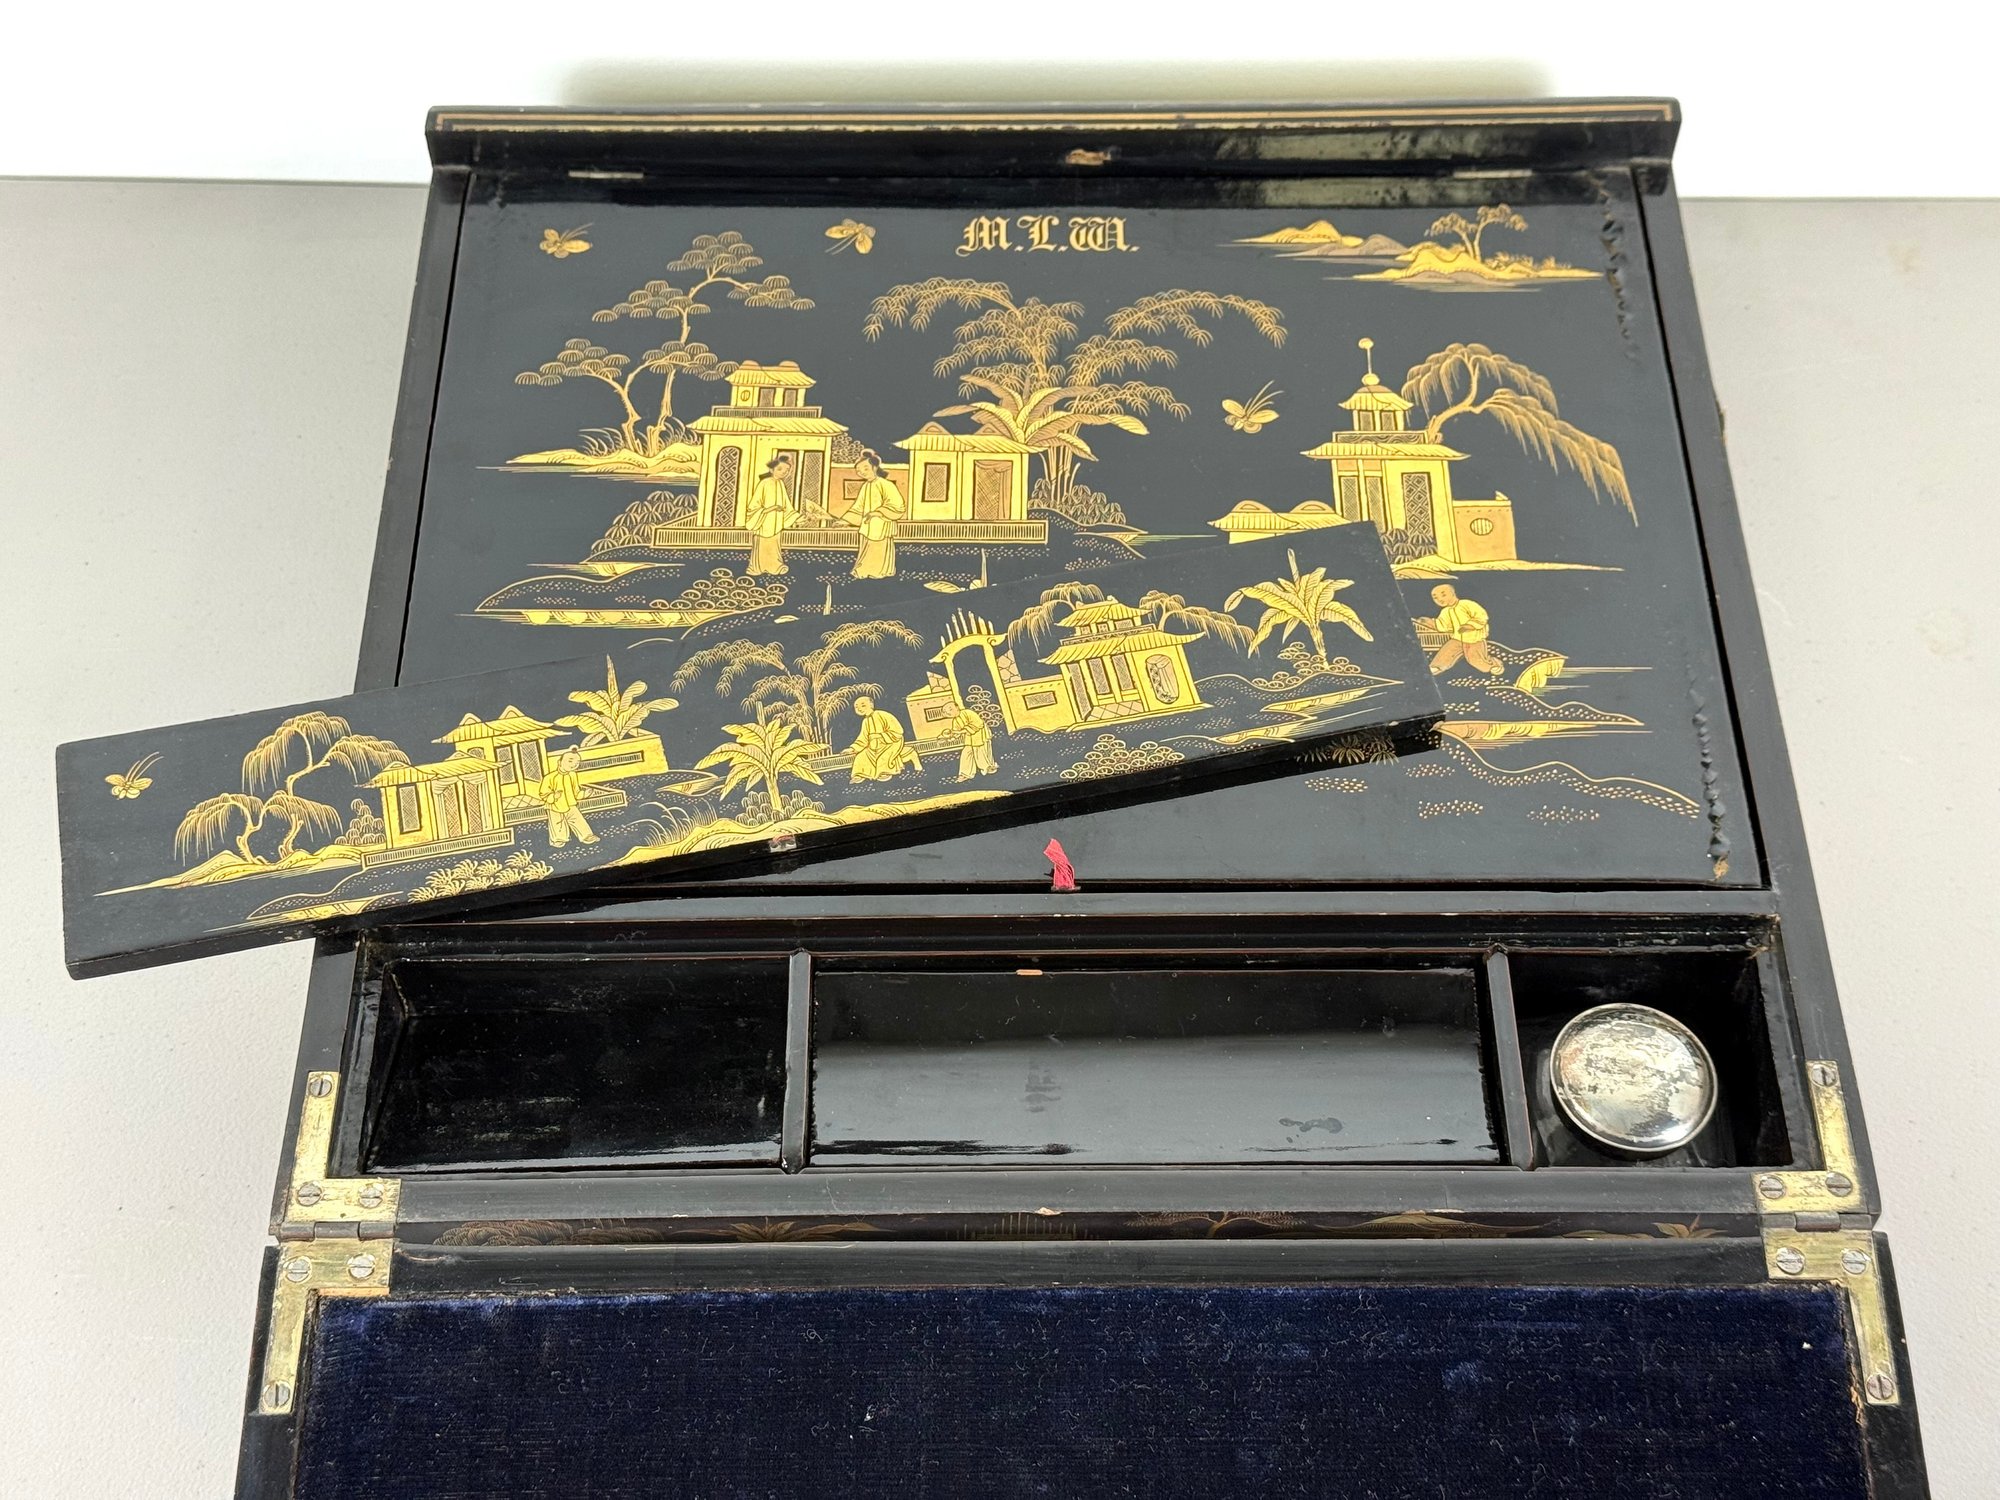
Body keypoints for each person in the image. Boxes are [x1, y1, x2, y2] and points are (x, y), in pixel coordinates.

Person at [846, 449, 905, 579]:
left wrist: (878, 512)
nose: (861, 472)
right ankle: (864, 571)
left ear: (875, 467)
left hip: (882, 522)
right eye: (858, 470)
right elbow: (858, 506)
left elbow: (897, 505)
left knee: (879, 548)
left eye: (865, 469)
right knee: (866, 548)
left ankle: (880, 572)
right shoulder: (865, 486)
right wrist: (845, 520)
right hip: (868, 524)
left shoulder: (886, 484)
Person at [1425, 584, 1504, 676]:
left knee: (1475, 660)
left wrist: (1470, 626)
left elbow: (1481, 616)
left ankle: (1494, 665)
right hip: (1457, 639)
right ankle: (1436, 667)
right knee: (1446, 652)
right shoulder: (1445, 611)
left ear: (1453, 593)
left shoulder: (1466, 604)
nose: (1440, 599)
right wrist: (1431, 622)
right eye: (1435, 597)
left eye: (1443, 595)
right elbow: (1443, 625)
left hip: (1474, 639)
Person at [744, 454, 797, 577]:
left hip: (776, 521)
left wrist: (796, 516)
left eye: (787, 470)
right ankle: (756, 568)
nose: (784, 472)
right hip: (763, 520)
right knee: (762, 544)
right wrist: (770, 509)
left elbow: (787, 504)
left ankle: (776, 567)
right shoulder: (764, 483)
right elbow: (754, 505)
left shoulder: (780, 484)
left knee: (774, 545)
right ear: (772, 470)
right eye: (780, 469)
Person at [846, 696, 921, 783]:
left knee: (884, 756)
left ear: (871, 705)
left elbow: (898, 731)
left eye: (863, 705)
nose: (859, 709)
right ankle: (860, 774)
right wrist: (852, 748)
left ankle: (884, 772)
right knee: (861, 756)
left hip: (890, 743)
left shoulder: (883, 715)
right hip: (873, 747)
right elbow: (863, 738)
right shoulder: (865, 721)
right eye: (856, 707)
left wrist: (879, 736)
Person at [538, 747, 597, 847]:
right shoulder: (550, 777)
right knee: (557, 823)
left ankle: (586, 836)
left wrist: (584, 794)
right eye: (570, 761)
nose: (574, 764)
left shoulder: (572, 775)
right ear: (559, 762)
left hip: (570, 804)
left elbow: (576, 791)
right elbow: (543, 794)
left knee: (578, 819)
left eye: (577, 762)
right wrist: (553, 796)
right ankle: (558, 839)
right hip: (554, 806)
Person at [950, 704, 998, 781]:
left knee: (981, 751)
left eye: (951, 709)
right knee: (966, 753)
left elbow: (978, 724)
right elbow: (957, 731)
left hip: (979, 734)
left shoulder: (968, 712)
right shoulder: (955, 720)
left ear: (957, 708)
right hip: (969, 738)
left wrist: (962, 731)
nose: (949, 712)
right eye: (946, 712)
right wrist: (952, 737)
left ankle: (987, 767)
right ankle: (965, 773)